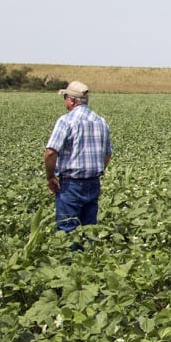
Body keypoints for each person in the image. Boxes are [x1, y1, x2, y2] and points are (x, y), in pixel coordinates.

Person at [44, 81, 113, 233]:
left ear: (72, 100)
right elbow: (108, 153)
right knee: (89, 230)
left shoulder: (66, 121)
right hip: (93, 182)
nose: (65, 102)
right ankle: (88, 255)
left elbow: (50, 152)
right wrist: (96, 170)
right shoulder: (101, 121)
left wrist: (50, 178)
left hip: (70, 185)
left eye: (65, 98)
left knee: (66, 230)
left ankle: (70, 257)